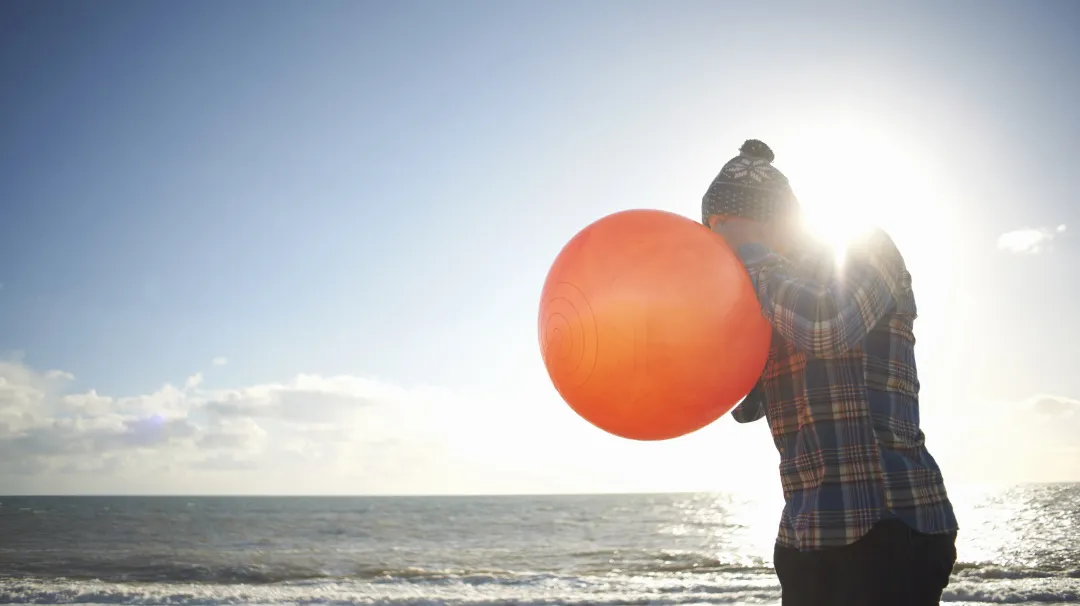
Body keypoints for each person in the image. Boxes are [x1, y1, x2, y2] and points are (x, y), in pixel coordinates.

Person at [702, 139, 959, 606]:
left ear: (769, 221)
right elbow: (744, 403)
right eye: (712, 227)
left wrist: (752, 257)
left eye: (725, 224)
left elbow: (828, 326)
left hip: (890, 528)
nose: (720, 239)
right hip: (806, 535)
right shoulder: (763, 294)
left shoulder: (864, 247)